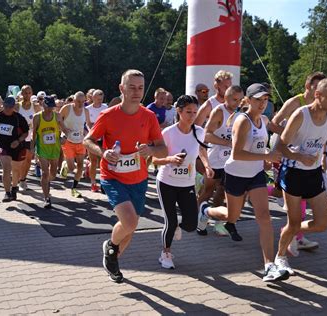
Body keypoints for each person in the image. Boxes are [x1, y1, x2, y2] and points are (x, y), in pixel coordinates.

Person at [197, 83, 287, 282]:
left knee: (264, 218)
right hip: (236, 174)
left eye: (265, 100)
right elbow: (237, 154)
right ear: (248, 100)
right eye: (258, 99)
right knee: (232, 216)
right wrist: (267, 155)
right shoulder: (242, 121)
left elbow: (260, 147)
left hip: (255, 175)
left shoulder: (263, 120)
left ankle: (269, 266)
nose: (263, 103)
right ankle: (205, 211)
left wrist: (267, 159)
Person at [84, 69, 167, 283]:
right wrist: (104, 152)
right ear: (122, 88)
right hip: (112, 176)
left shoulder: (148, 117)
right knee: (129, 223)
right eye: (132, 87)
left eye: (140, 87)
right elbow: (88, 141)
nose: (137, 92)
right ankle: (111, 247)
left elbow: (163, 149)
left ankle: (112, 259)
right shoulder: (108, 115)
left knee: (130, 230)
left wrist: (150, 150)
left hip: (138, 179)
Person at [275, 78, 327, 276]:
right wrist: (298, 156)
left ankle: (291, 233)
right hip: (293, 172)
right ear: (317, 95)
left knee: (322, 223)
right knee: (294, 222)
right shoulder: (300, 115)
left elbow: (320, 140)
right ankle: (280, 258)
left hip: (313, 173)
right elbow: (280, 146)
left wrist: (322, 157)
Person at [153, 95, 214, 269]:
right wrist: (170, 159)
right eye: (188, 112)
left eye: (195, 112)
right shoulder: (168, 133)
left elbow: (202, 150)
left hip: (187, 183)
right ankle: (165, 253)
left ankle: (176, 228)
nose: (192, 115)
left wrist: (207, 166)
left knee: (190, 224)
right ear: (178, 111)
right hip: (166, 182)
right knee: (170, 222)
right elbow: (154, 160)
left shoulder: (199, 132)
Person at [197, 85, 243, 235]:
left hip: (229, 161)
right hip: (214, 159)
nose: (238, 103)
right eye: (235, 99)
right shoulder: (219, 111)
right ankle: (197, 217)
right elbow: (207, 135)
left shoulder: (240, 114)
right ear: (226, 98)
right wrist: (228, 142)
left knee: (222, 191)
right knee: (208, 191)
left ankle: (218, 222)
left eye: (241, 100)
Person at [0, 96, 29, 202]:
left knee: (16, 170)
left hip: (17, 146)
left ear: (14, 107)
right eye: (6, 107)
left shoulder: (19, 118)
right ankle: (7, 193)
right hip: (3, 146)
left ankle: (14, 188)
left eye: (10, 107)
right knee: (6, 168)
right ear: (3, 106)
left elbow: (26, 132)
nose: (7, 109)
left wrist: (18, 141)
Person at [32, 96, 66, 208]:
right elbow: (33, 135)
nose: (50, 109)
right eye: (48, 106)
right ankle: (46, 197)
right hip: (42, 149)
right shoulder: (37, 117)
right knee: (45, 173)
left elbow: (64, 130)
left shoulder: (57, 116)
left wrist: (63, 137)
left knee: (53, 174)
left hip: (54, 148)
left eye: (52, 107)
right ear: (43, 105)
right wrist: (32, 149)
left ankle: (46, 182)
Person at [59, 91, 92, 198]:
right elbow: (58, 120)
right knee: (71, 166)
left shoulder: (85, 111)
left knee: (80, 166)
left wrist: (90, 134)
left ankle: (74, 188)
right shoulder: (67, 108)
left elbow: (88, 124)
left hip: (80, 141)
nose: (81, 104)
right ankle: (65, 165)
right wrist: (63, 130)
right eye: (78, 101)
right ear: (73, 100)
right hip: (68, 141)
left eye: (83, 101)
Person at [17, 85, 41, 191]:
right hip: (18, 137)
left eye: (29, 93)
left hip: (30, 137)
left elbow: (40, 121)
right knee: (18, 160)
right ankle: (16, 178)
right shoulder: (17, 107)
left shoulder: (36, 107)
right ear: (21, 94)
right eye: (25, 93)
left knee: (27, 160)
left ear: (32, 93)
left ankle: (22, 180)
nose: (27, 95)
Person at [86, 89, 108, 192]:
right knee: (93, 161)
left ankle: (103, 182)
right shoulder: (88, 109)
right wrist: (95, 132)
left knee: (104, 160)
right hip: (93, 137)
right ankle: (93, 183)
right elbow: (88, 123)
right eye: (98, 99)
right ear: (92, 98)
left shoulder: (106, 107)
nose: (99, 101)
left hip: (103, 137)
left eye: (101, 99)